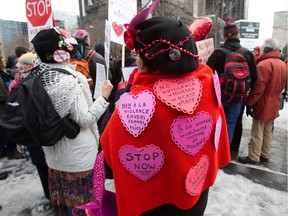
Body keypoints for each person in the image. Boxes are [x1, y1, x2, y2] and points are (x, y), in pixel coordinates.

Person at [100, 17, 230, 216]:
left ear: (146, 59)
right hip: (197, 192)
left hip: (155, 206)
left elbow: (108, 159)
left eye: (138, 53)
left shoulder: (136, 106)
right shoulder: (207, 83)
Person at [30, 27, 113, 215]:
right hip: (78, 159)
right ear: (60, 53)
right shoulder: (70, 81)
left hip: (54, 157)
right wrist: (104, 96)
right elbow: (85, 119)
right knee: (84, 206)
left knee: (65, 206)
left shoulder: (36, 77)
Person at [206, 17, 257, 150]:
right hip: (238, 97)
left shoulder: (217, 54)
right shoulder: (247, 54)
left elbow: (207, 75)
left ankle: (216, 151)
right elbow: (255, 78)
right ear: (237, 34)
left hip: (219, 97)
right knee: (233, 123)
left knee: (217, 123)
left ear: (224, 35)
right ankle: (229, 151)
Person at [238, 38, 287, 165]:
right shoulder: (282, 64)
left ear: (266, 49)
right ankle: (265, 154)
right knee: (267, 130)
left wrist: (249, 103)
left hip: (263, 102)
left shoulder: (264, 65)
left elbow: (258, 89)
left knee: (257, 130)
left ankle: (253, 156)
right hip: (274, 101)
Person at [0, 56, 23, 160]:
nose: (4, 61)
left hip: (5, 105)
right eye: (2, 59)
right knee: (6, 129)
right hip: (3, 106)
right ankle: (10, 151)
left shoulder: (3, 73)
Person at [72, 29, 106, 95]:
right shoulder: (97, 57)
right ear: (87, 39)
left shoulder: (69, 57)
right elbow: (103, 81)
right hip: (93, 96)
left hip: (76, 95)